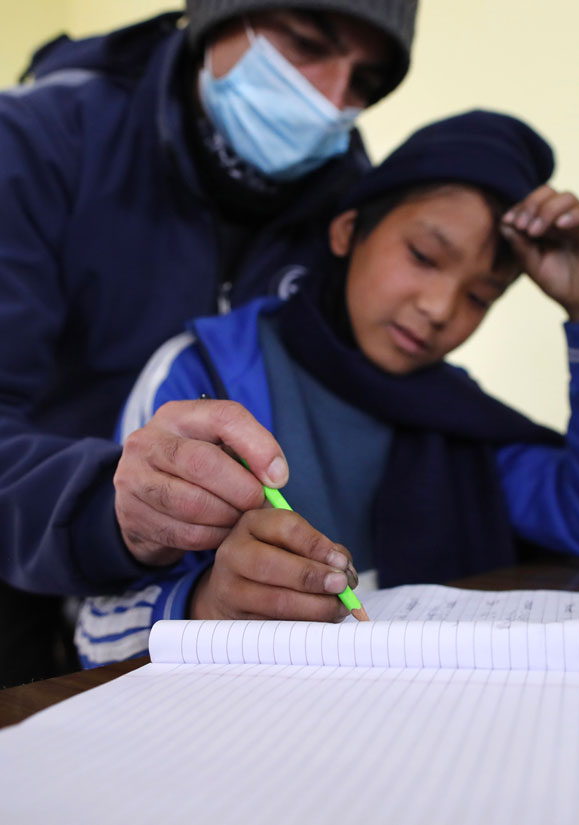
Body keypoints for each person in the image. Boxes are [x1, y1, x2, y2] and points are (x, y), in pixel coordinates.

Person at [74, 109, 579, 665]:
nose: (439, 307)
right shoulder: (204, 379)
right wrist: (203, 606)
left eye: (480, 296)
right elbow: (96, 632)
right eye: (424, 256)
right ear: (349, 230)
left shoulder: (457, 416)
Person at [0, 0, 417, 685]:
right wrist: (110, 507)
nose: (332, 101)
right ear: (216, 18)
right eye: (307, 44)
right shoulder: (35, 142)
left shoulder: (346, 207)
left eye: (367, 84)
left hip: (202, 607)